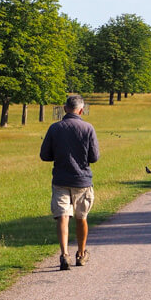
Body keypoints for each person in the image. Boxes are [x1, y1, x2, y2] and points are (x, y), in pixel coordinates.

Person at [40, 94, 99, 270]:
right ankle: (81, 254)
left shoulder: (55, 128)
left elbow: (44, 155)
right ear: (81, 110)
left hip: (60, 179)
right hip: (82, 180)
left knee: (63, 217)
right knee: (81, 218)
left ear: (65, 108)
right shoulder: (88, 128)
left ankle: (64, 254)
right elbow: (94, 157)